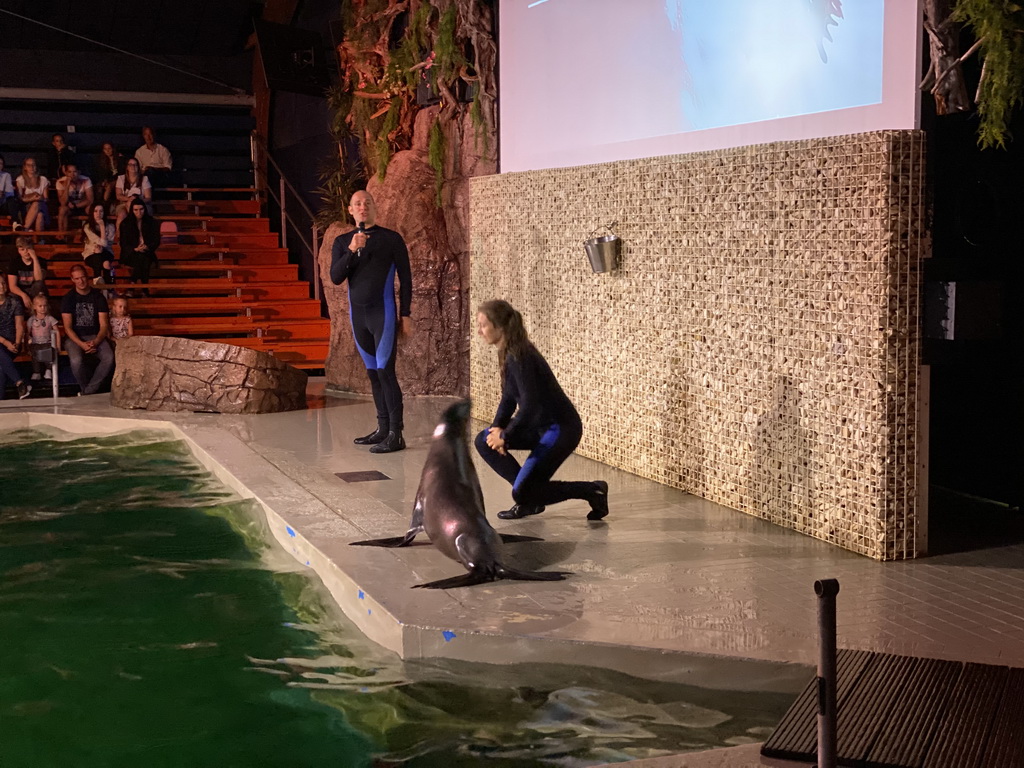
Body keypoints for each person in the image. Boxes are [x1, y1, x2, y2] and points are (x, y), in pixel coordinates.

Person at [473, 300, 609, 520]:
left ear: (500, 327)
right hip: (538, 427)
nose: (479, 331)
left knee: (522, 492)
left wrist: (506, 437)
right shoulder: (509, 352)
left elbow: (530, 406)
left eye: (484, 325)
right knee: (484, 440)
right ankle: (530, 497)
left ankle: (592, 490)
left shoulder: (520, 356)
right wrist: (497, 428)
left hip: (560, 430)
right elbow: (509, 398)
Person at [329, 190, 412, 454]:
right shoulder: (343, 242)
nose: (363, 207)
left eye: (367, 203)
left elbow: (406, 279)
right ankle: (382, 428)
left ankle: (396, 434)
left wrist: (406, 315)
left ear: (375, 208)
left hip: (383, 314)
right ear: (350, 210)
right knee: (373, 374)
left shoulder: (391, 239)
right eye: (357, 204)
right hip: (359, 317)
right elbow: (335, 277)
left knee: (386, 372)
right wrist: (353, 250)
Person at [61, 263, 114, 396]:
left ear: (87, 277)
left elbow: (103, 325)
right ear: (72, 280)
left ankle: (88, 392)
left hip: (95, 336)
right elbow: (67, 327)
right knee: (76, 361)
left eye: (83, 277)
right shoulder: (68, 298)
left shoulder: (98, 297)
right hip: (75, 338)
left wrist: (95, 342)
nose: (81, 281)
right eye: (77, 278)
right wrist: (81, 344)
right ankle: (88, 390)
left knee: (109, 357)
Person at [0, 273, 31, 399]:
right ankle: (19, 382)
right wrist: (5, 342)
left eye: (3, 283)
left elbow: (19, 325)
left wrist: (17, 343)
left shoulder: (14, 301)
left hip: (11, 342)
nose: (1, 286)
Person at [118, 197, 160, 291]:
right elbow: (123, 243)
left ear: (144, 209)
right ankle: (145, 288)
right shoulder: (125, 224)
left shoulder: (152, 222)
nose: (139, 212)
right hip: (130, 254)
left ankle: (133, 283)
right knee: (142, 259)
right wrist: (135, 249)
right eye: (135, 210)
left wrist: (147, 247)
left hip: (146, 251)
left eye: (141, 209)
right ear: (132, 210)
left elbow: (156, 240)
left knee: (143, 257)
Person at [26, 292, 59, 382]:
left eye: (45, 306)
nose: (43, 308)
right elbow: (27, 333)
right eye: (40, 306)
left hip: (47, 342)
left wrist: (57, 345)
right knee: (34, 356)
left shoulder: (50, 318)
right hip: (35, 343)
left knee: (49, 352)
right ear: (34, 307)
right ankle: (36, 372)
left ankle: (48, 370)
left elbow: (57, 332)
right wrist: (27, 345)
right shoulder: (31, 319)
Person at [7, 237, 48, 308]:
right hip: (21, 292)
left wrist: (35, 258)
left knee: (39, 285)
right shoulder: (14, 263)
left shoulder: (41, 261)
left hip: (35, 291)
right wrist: (24, 295)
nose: (26, 252)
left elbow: (39, 279)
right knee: (13, 297)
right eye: (22, 249)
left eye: (28, 248)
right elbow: (12, 286)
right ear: (19, 251)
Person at [82, 203, 116, 285]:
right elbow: (102, 243)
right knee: (105, 263)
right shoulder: (87, 227)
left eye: (101, 211)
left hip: (106, 252)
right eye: (95, 211)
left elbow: (105, 245)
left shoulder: (110, 227)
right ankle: (106, 286)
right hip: (90, 253)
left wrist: (102, 226)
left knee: (104, 258)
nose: (98, 214)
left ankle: (98, 280)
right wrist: (102, 226)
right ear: (92, 213)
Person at [114, 158, 152, 228]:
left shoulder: (144, 179)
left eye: (135, 165)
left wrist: (136, 201)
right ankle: (119, 235)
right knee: (121, 215)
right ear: (127, 167)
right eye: (130, 164)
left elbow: (148, 197)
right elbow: (118, 195)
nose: (133, 166)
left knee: (140, 213)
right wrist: (129, 199)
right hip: (124, 204)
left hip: (141, 205)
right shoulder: (121, 178)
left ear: (138, 167)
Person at [56, 163, 94, 232]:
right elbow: (63, 202)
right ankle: (61, 235)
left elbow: (90, 199)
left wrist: (76, 206)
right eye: (69, 172)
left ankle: (92, 232)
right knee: (62, 209)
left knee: (92, 208)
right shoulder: (60, 182)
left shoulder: (86, 180)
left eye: (75, 172)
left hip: (82, 205)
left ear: (79, 172)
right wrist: (67, 186)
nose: (72, 175)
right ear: (66, 173)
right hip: (69, 207)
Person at [15, 157, 49, 232]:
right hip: (26, 206)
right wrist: (32, 198)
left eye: (33, 165)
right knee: (39, 215)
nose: (31, 167)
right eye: (29, 165)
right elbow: (20, 198)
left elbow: (46, 198)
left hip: (41, 205)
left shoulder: (43, 179)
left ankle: (25, 229)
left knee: (37, 204)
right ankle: (39, 240)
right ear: (25, 167)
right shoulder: (20, 179)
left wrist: (39, 198)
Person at [93, 142, 124, 207]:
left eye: (109, 148)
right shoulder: (101, 160)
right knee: (100, 187)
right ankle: (97, 205)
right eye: (105, 149)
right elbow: (102, 173)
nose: (107, 151)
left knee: (109, 186)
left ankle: (103, 205)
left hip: (118, 179)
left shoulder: (119, 158)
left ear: (113, 149)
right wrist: (104, 181)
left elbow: (121, 173)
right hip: (108, 179)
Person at [0, 154, 18, 224]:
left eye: (1, 164)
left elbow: (10, 193)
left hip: (2, 204)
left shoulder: (6, 175)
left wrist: (3, 194)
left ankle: (15, 223)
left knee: (11, 199)